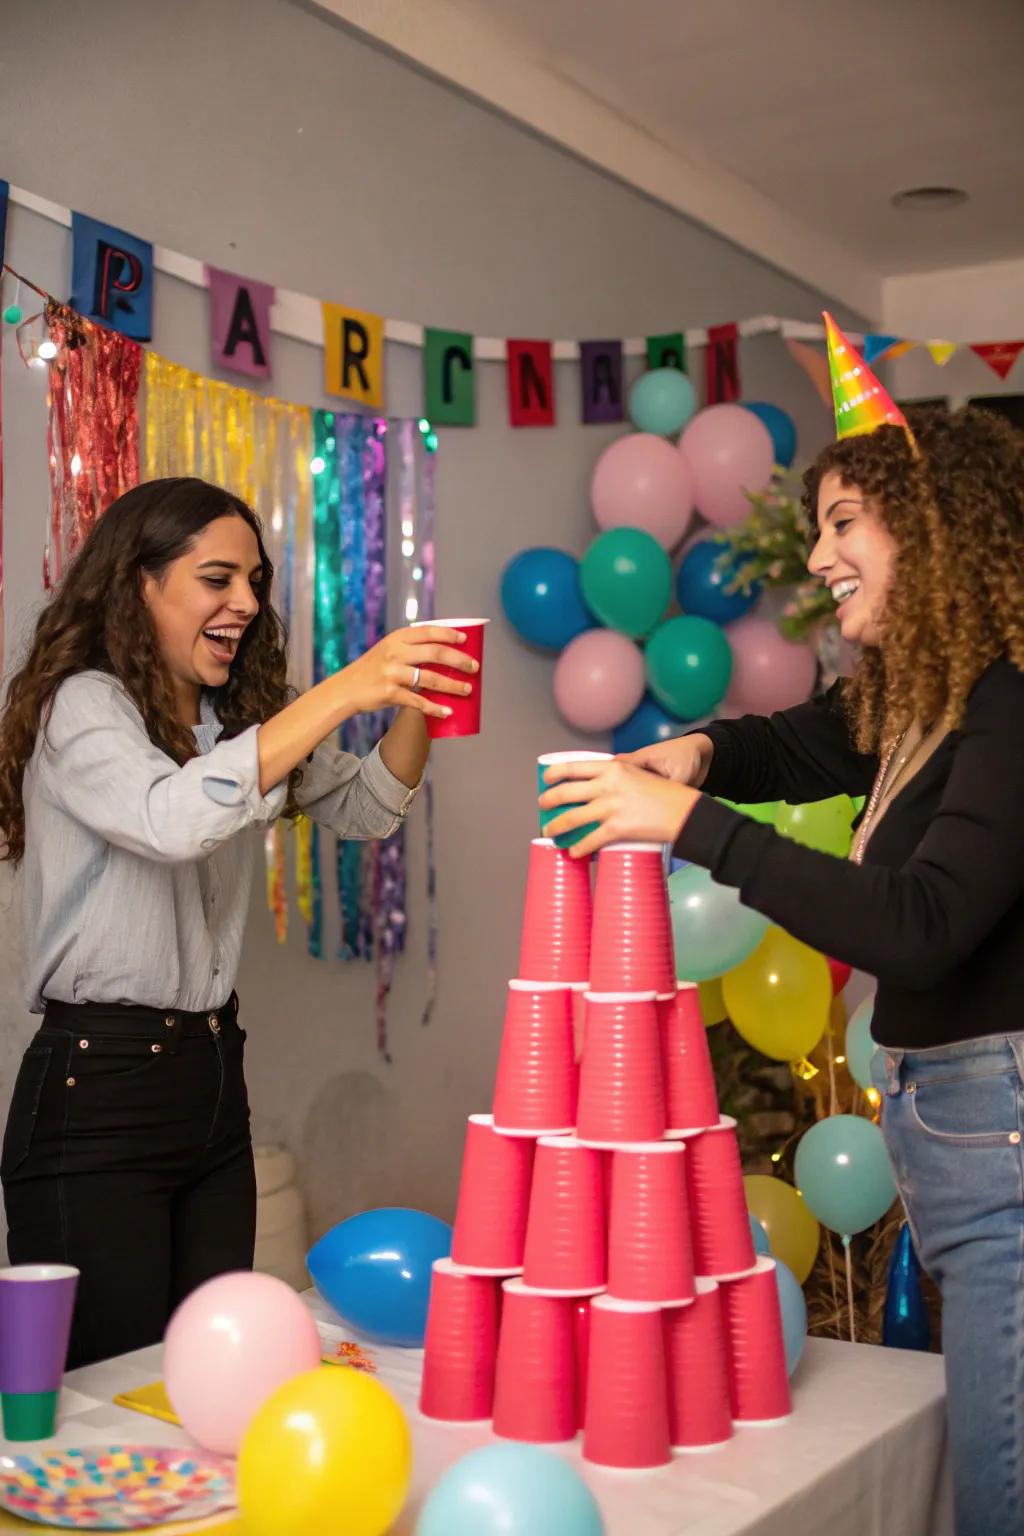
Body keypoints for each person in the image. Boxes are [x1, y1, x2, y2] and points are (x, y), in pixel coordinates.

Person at [541, 401, 1024, 1536]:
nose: (815, 557)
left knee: (1001, 1496)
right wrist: (702, 748)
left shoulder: (1008, 696)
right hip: (961, 1135)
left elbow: (920, 923)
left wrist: (690, 821)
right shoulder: (925, 694)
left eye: (844, 521)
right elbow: (797, 739)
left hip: (1001, 1141)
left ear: (934, 524)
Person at [0, 476, 476, 1369]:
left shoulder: (235, 724)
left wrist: (417, 698)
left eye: (254, 581)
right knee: (111, 1393)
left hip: (213, 1082)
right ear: (139, 583)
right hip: (96, 1095)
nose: (247, 604)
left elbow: (372, 806)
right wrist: (344, 688)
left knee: (203, 1374)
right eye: (218, 579)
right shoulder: (85, 708)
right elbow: (171, 820)